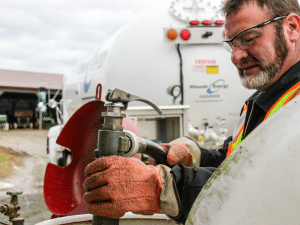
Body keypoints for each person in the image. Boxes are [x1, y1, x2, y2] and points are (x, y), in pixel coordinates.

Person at [83, 0, 300, 224]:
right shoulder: (263, 99)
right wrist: (195, 156)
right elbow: (238, 166)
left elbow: (270, 190)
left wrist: (162, 188)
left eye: (248, 39)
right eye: (232, 44)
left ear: (291, 28)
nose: (236, 57)